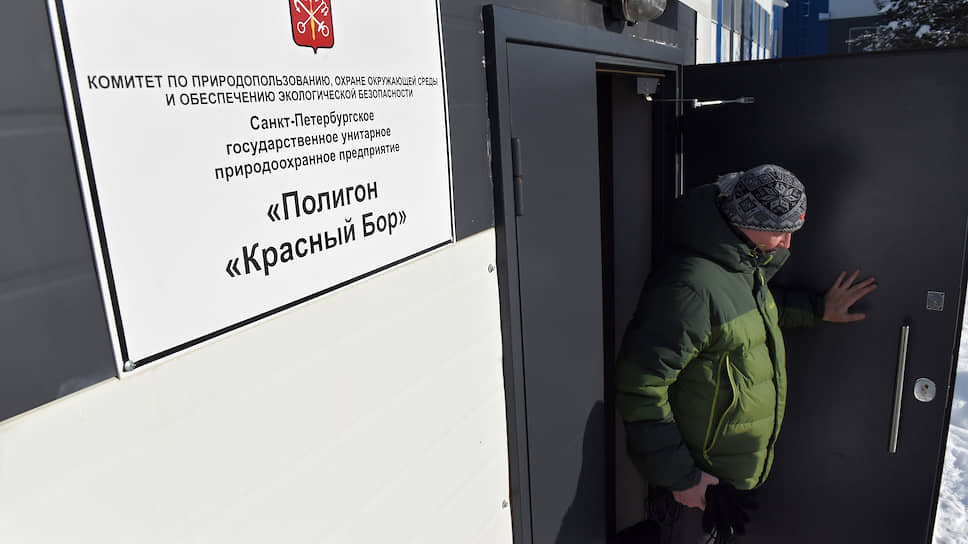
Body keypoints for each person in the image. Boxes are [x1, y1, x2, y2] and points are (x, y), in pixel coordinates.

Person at [615, 165, 877, 543]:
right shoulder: (691, 287)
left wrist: (819, 309)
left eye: (792, 230)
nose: (786, 243)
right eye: (778, 231)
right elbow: (640, 387)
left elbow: (750, 312)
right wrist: (682, 479)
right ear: (744, 219)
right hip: (695, 485)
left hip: (723, 478)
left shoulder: (740, 263)